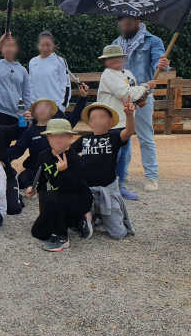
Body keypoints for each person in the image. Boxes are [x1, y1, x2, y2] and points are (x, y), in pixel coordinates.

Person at [112, 17, 170, 194]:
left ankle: (151, 176)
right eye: (122, 23)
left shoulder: (153, 41)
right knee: (122, 137)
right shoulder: (116, 43)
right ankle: (122, 174)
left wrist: (162, 65)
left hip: (143, 96)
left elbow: (158, 66)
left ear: (137, 21)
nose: (124, 26)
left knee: (145, 136)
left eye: (128, 23)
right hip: (123, 97)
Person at [96, 44, 154, 201]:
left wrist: (142, 98)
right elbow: (126, 93)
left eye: (119, 57)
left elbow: (133, 96)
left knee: (124, 156)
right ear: (105, 61)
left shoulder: (128, 73)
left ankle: (120, 186)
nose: (116, 60)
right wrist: (146, 86)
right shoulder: (108, 75)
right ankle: (108, 187)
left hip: (126, 122)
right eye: (111, 58)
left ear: (123, 58)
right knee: (112, 156)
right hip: (110, 123)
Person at [72, 101, 136, 240]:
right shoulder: (84, 139)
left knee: (118, 234)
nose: (98, 120)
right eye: (94, 117)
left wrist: (129, 115)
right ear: (89, 122)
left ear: (110, 121)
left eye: (102, 116)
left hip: (107, 189)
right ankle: (88, 214)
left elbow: (129, 132)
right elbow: (69, 153)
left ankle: (99, 217)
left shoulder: (114, 136)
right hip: (86, 189)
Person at [26, 118, 92, 252]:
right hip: (55, 200)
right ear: (48, 138)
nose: (58, 139)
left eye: (62, 136)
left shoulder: (75, 159)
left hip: (77, 198)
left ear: (70, 138)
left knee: (52, 196)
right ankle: (72, 221)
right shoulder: (43, 156)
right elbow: (42, 179)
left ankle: (62, 236)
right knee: (38, 233)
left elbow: (72, 187)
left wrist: (61, 172)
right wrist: (34, 188)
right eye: (53, 136)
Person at [8, 89, 89, 189]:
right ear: (34, 112)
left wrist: (82, 98)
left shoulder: (59, 126)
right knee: (22, 179)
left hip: (59, 166)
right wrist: (0, 158)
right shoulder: (30, 132)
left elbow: (74, 117)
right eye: (39, 107)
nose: (42, 110)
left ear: (51, 111)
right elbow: (17, 149)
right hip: (36, 168)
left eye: (46, 107)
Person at [0, 35, 33, 126]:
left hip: (16, 115)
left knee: (16, 140)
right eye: (6, 45)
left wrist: (23, 114)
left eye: (12, 46)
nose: (9, 48)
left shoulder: (22, 70)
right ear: (1, 49)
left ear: (17, 49)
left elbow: (26, 95)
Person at [28, 31, 74, 115]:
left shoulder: (60, 61)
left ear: (53, 45)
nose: (45, 48)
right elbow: (31, 85)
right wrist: (33, 104)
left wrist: (62, 106)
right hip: (38, 108)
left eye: (48, 45)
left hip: (55, 108)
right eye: (42, 45)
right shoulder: (32, 62)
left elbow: (66, 85)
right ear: (38, 45)